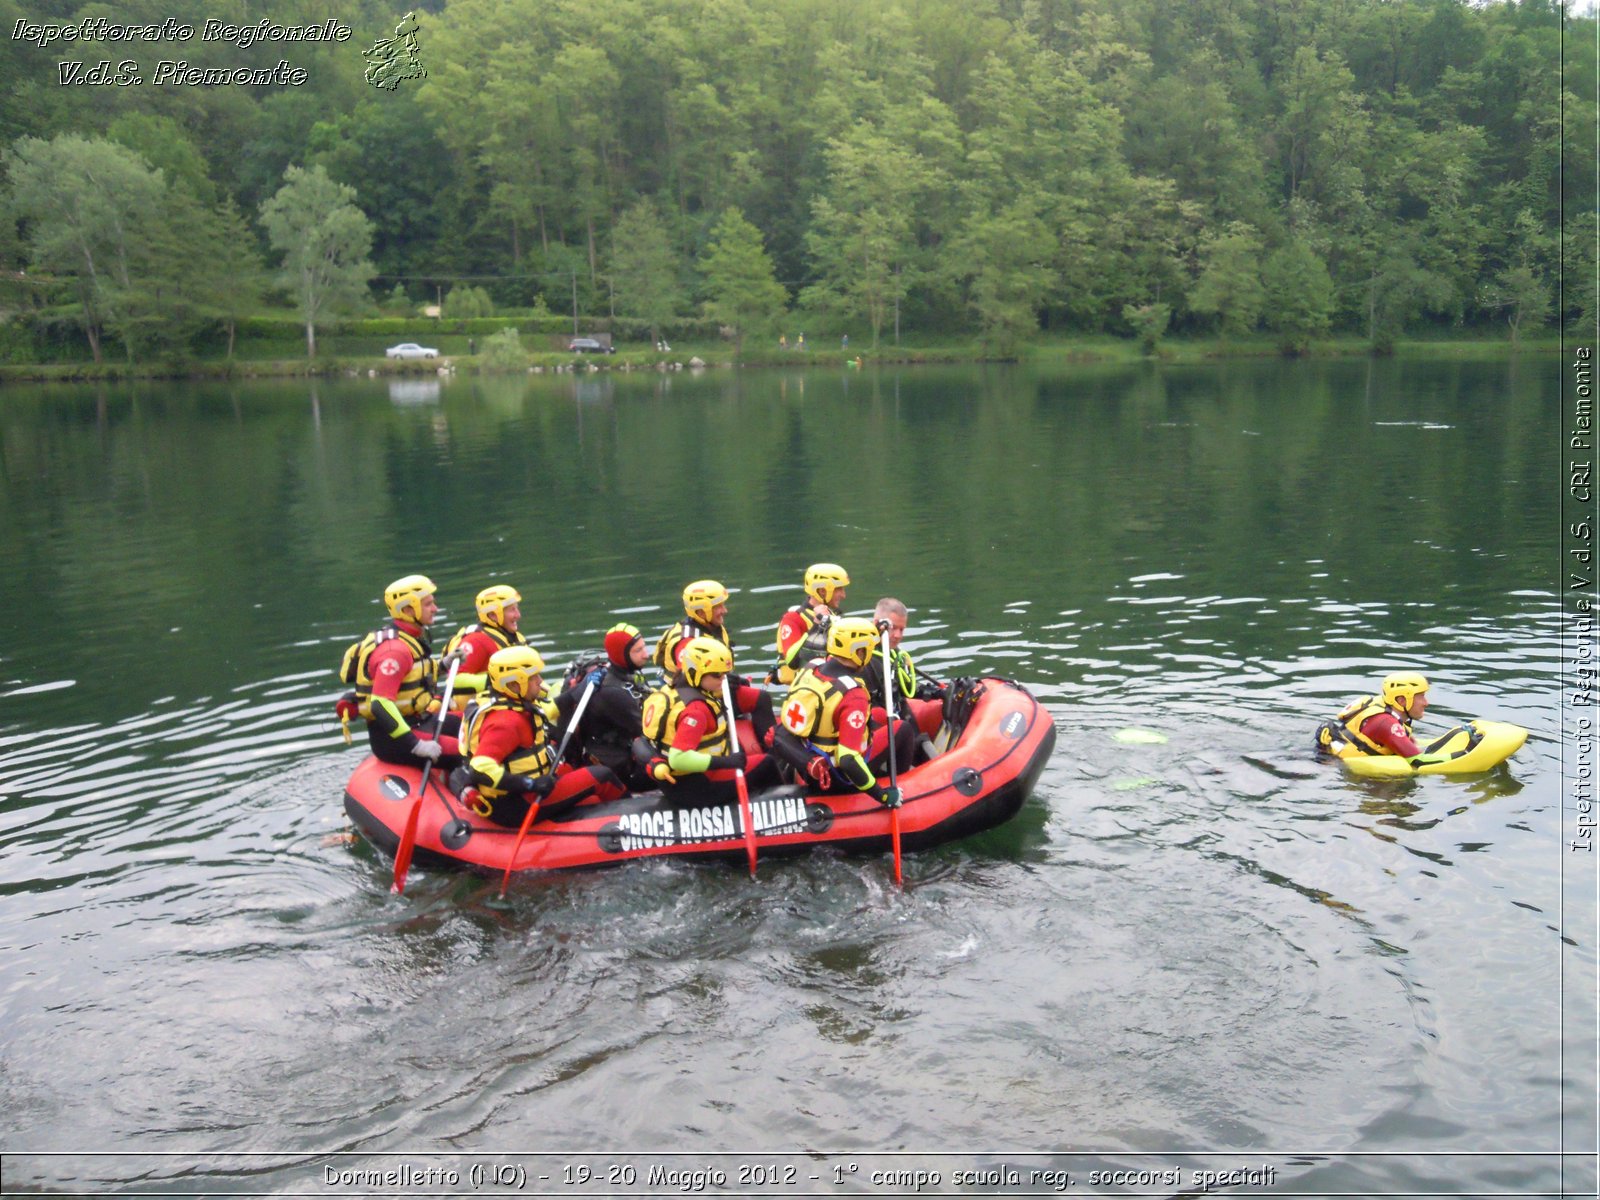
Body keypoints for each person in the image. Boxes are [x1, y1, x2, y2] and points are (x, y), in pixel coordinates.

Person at [454, 646, 626, 827]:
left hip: (520, 794)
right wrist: (531, 784)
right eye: (533, 677)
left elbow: (550, 709)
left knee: (572, 769)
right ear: (514, 684)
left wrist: (583, 687)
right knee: (602, 775)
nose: (540, 681)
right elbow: (480, 769)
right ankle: (635, 816)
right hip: (515, 804)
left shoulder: (512, 702)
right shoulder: (505, 723)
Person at [336, 574, 474, 767]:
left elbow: (414, 676)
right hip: (397, 739)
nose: (435, 609)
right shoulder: (395, 651)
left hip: (420, 721)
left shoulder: (407, 638)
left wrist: (444, 664)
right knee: (472, 751)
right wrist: (416, 745)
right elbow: (380, 705)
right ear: (409, 609)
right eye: (428, 604)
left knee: (479, 726)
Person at [771, 618, 916, 801]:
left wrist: (875, 632)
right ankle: (901, 783)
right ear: (859, 651)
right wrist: (882, 795)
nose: (871, 654)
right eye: (868, 650)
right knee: (903, 729)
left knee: (878, 715)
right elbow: (848, 760)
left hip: (809, 764)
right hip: (838, 777)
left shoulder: (810, 668)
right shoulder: (854, 694)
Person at [639, 636, 782, 806]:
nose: (723, 680)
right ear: (697, 673)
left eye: (725, 674)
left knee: (739, 748)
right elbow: (678, 759)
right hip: (698, 787)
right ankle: (791, 805)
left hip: (678, 783)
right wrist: (727, 762)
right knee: (767, 763)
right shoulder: (696, 712)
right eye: (717, 676)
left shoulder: (675, 688)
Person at [654, 579, 778, 747]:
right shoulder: (687, 642)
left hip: (716, 690)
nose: (724, 610)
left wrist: (730, 679)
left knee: (758, 696)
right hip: (696, 701)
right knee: (757, 700)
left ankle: (772, 748)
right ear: (701, 611)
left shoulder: (712, 627)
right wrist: (726, 680)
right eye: (718, 606)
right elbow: (689, 683)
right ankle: (771, 753)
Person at [552, 622, 655, 791]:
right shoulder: (612, 692)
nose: (646, 655)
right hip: (619, 768)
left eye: (644, 647)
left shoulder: (626, 675)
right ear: (621, 655)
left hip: (617, 753)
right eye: (638, 650)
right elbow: (648, 731)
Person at [858, 597, 948, 758]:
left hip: (902, 722)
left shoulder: (894, 654)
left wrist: (937, 692)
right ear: (877, 624)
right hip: (884, 730)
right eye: (893, 628)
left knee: (919, 740)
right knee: (921, 743)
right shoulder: (864, 660)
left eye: (902, 629)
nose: (898, 635)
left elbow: (908, 687)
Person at [1316, 672, 1438, 760]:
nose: (1426, 703)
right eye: (1421, 696)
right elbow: (1419, 761)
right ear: (1401, 701)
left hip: (1325, 755)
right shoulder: (1386, 723)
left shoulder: (1385, 708)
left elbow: (1410, 744)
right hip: (1328, 765)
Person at [440, 585, 527, 705]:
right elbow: (453, 680)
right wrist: (495, 681)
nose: (518, 615)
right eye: (512, 610)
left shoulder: (514, 638)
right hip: (477, 712)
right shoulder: (476, 641)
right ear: (492, 615)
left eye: (517, 609)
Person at [770, 563, 850, 686]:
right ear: (822, 591)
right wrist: (816, 626)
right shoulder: (793, 619)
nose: (844, 595)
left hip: (831, 684)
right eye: (839, 589)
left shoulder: (833, 616)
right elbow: (792, 660)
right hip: (804, 689)